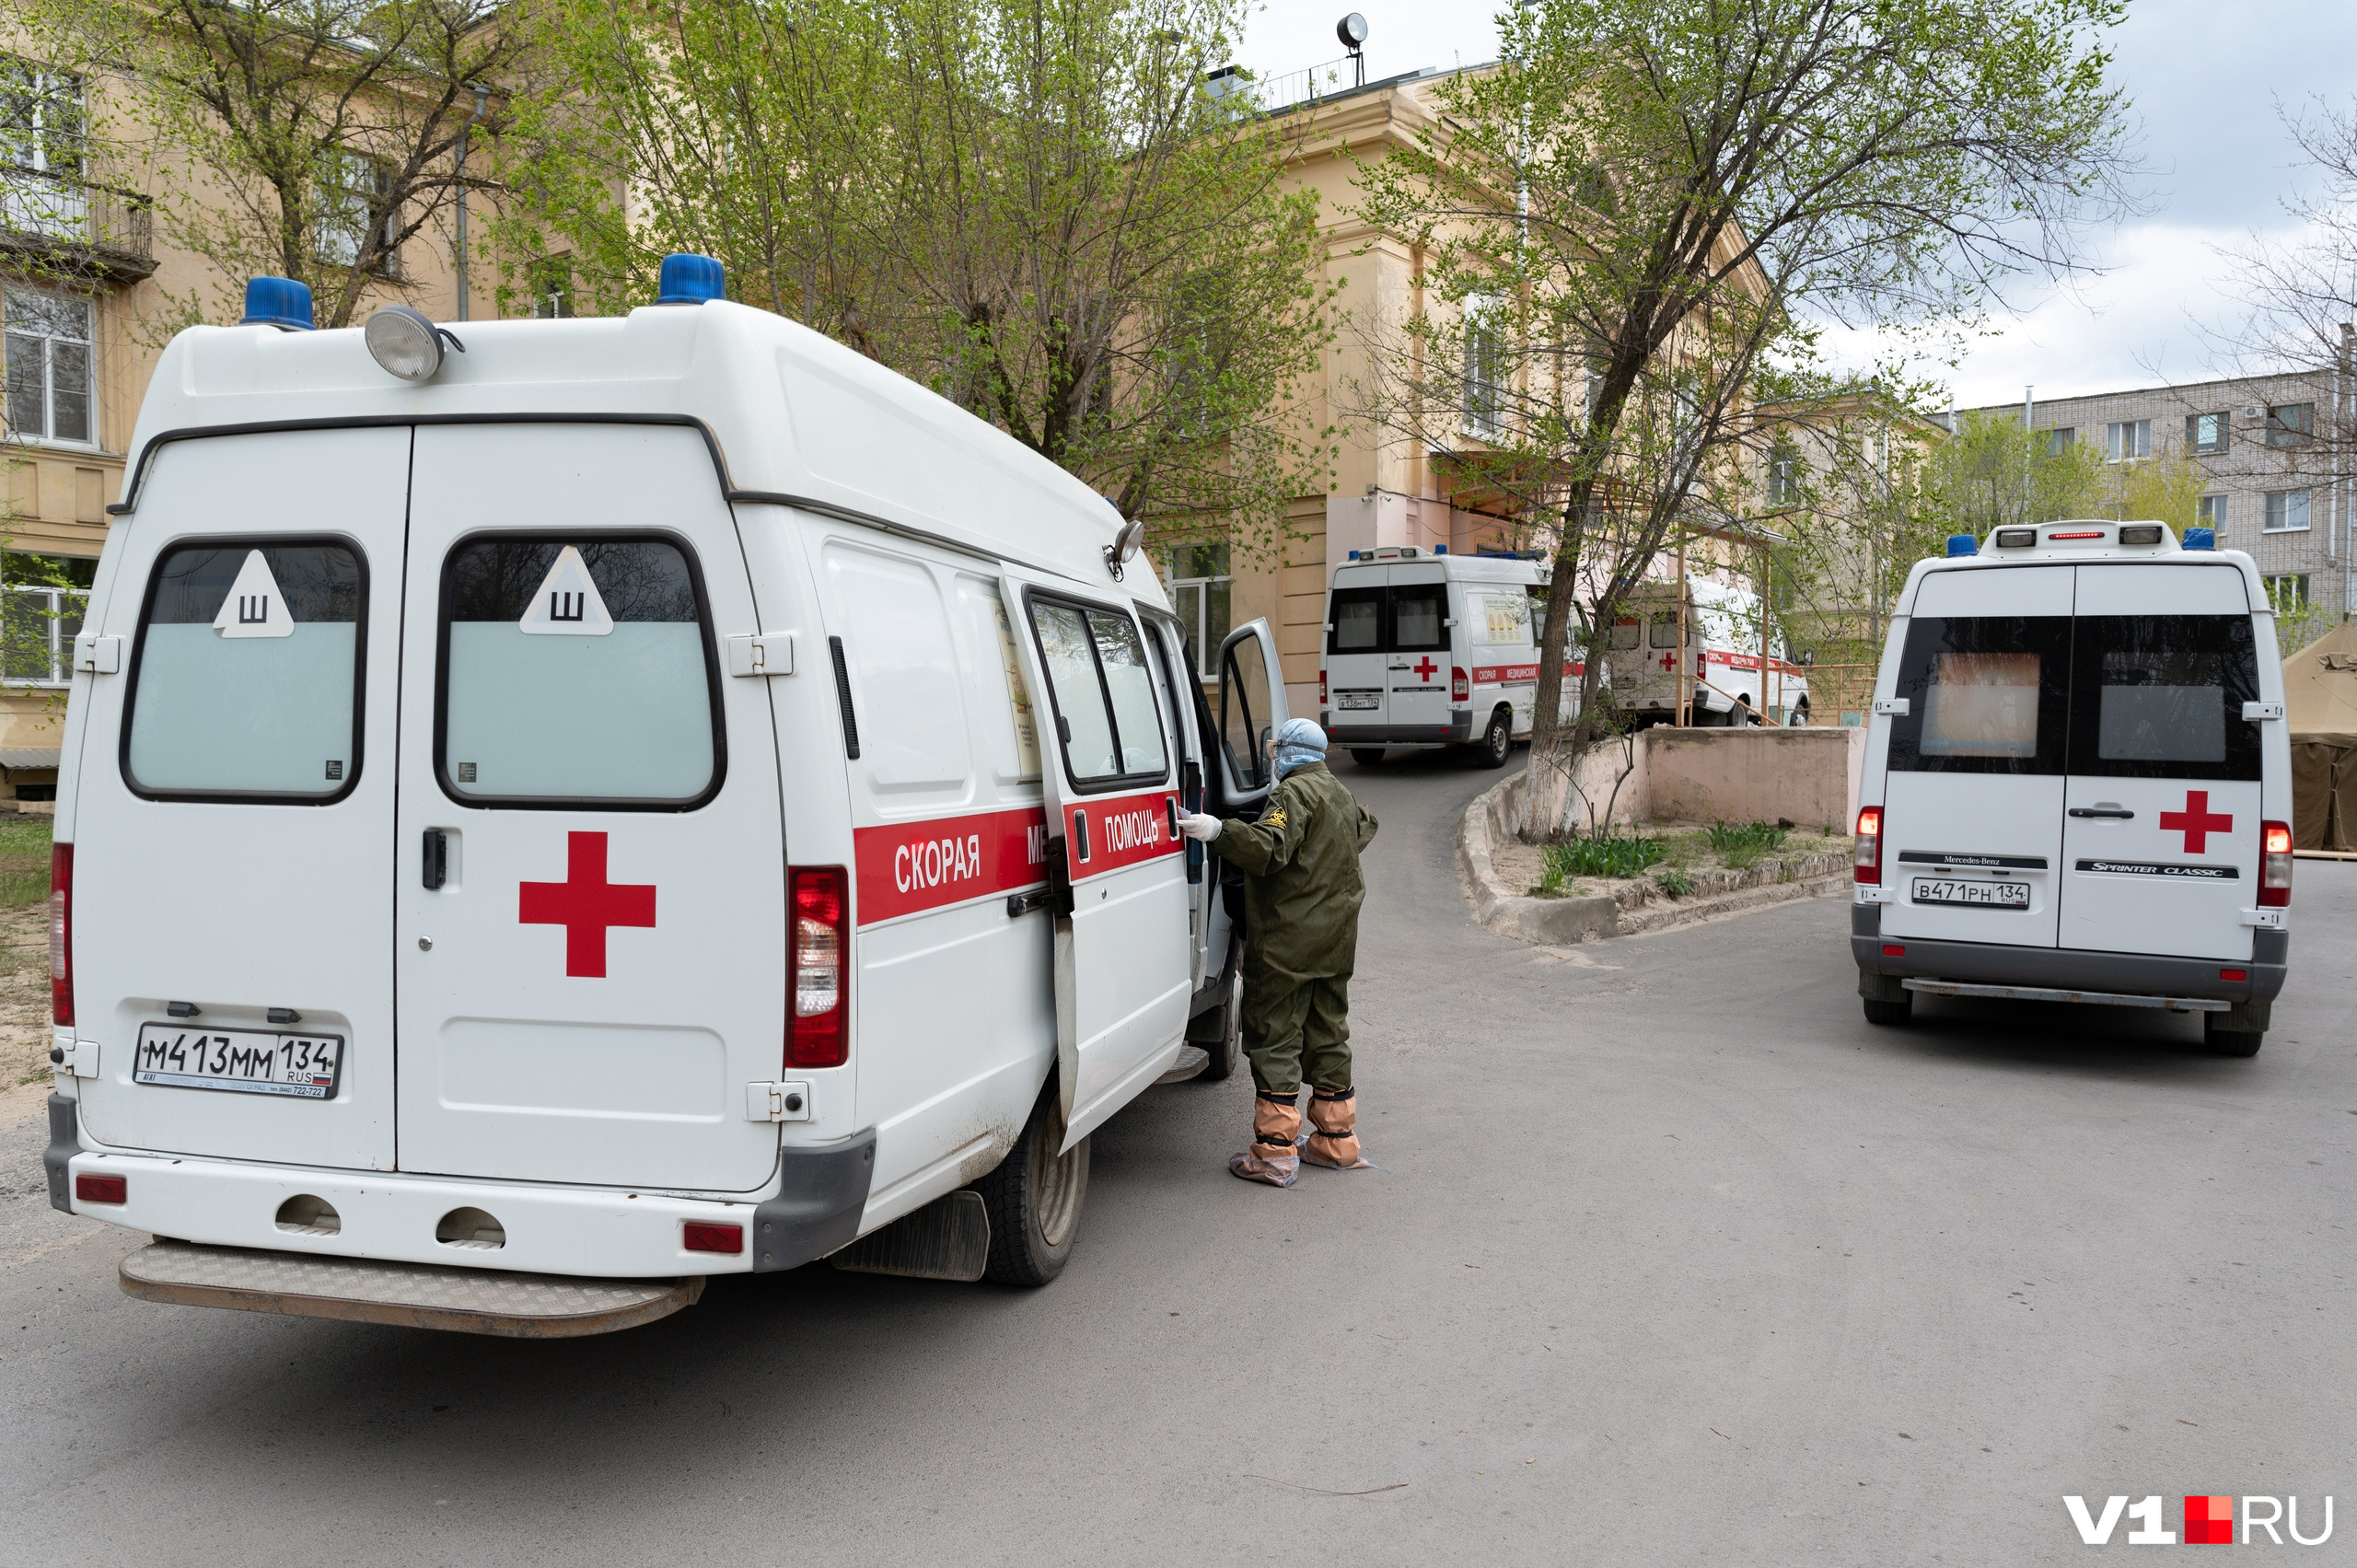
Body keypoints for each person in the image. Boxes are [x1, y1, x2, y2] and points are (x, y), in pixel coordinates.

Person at [1176, 718, 1379, 1187]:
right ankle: (1336, 1141)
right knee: (1329, 1032)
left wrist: (1215, 831)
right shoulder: (1339, 794)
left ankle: (1274, 1154)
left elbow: (1269, 847)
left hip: (1289, 945)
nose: (1273, 758)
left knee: (1275, 1035)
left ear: (1289, 752)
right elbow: (1366, 826)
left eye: (1276, 749)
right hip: (1335, 942)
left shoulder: (1291, 796)